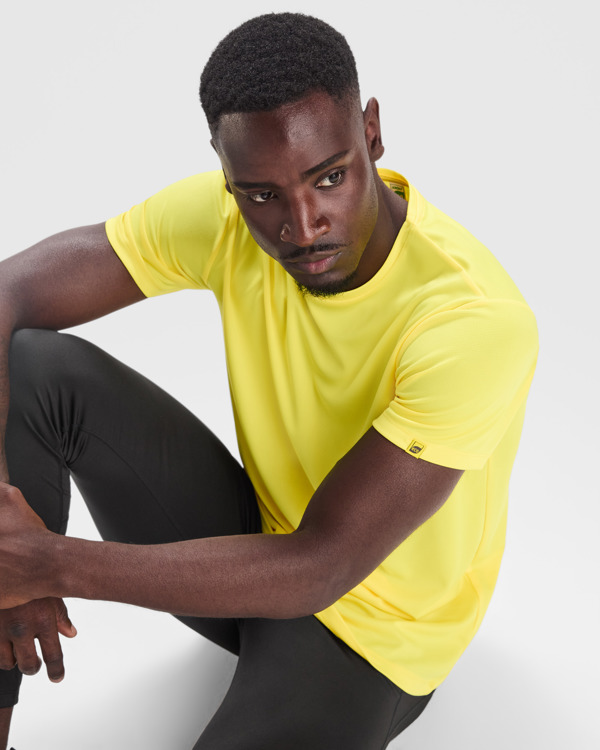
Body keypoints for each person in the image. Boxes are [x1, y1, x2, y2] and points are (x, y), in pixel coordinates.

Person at [0, 12, 538, 749]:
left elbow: (323, 565)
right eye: (262, 195)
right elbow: (10, 294)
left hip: (371, 630)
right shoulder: (227, 217)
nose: (301, 225)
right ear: (227, 173)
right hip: (254, 541)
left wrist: (44, 565)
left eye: (330, 177)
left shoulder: (471, 323)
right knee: (34, 366)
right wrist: (6, 545)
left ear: (372, 133)